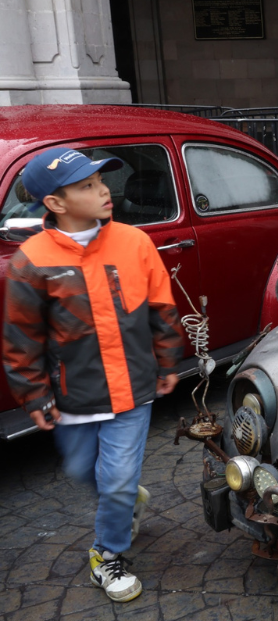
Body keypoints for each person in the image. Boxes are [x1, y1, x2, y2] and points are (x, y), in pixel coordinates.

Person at [3, 147, 184, 601]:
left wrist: (166, 362)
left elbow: (162, 309)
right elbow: (21, 339)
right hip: (73, 398)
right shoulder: (31, 260)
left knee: (117, 480)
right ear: (55, 204)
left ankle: (106, 554)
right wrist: (35, 397)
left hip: (132, 391)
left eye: (102, 181)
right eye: (86, 186)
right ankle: (126, 501)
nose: (103, 191)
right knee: (87, 470)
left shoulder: (134, 242)